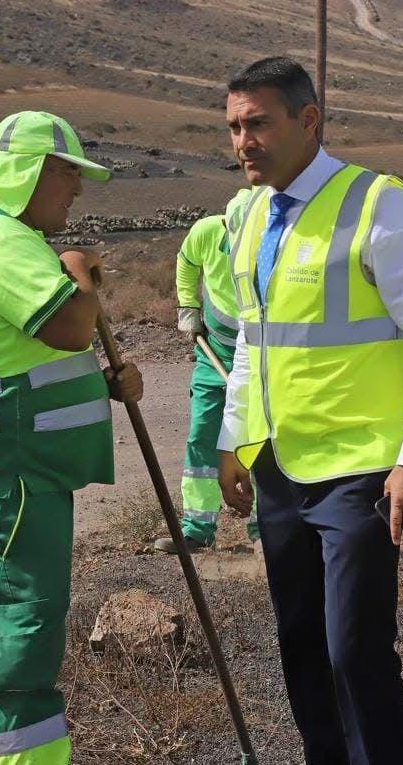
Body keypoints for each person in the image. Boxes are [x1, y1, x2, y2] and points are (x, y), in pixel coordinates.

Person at [217, 57, 403, 764]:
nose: (244, 142)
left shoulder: (376, 203)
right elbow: (252, 341)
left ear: (309, 121)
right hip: (279, 467)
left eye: (258, 123)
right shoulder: (248, 214)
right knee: (300, 645)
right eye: (234, 127)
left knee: (354, 650)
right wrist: (231, 439)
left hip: (361, 468)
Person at [0, 110, 144, 764]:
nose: (77, 189)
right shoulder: (2, 242)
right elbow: (70, 327)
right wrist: (79, 270)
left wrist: (100, 384)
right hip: (5, 492)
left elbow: (21, 363)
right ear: (32, 172)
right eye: (69, 173)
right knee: (19, 653)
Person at [154, 189, 260, 553]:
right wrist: (188, 307)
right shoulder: (207, 232)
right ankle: (197, 528)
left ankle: (264, 528)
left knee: (259, 441)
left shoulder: (274, 250)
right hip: (212, 353)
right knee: (202, 435)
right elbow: (186, 261)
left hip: (260, 360)